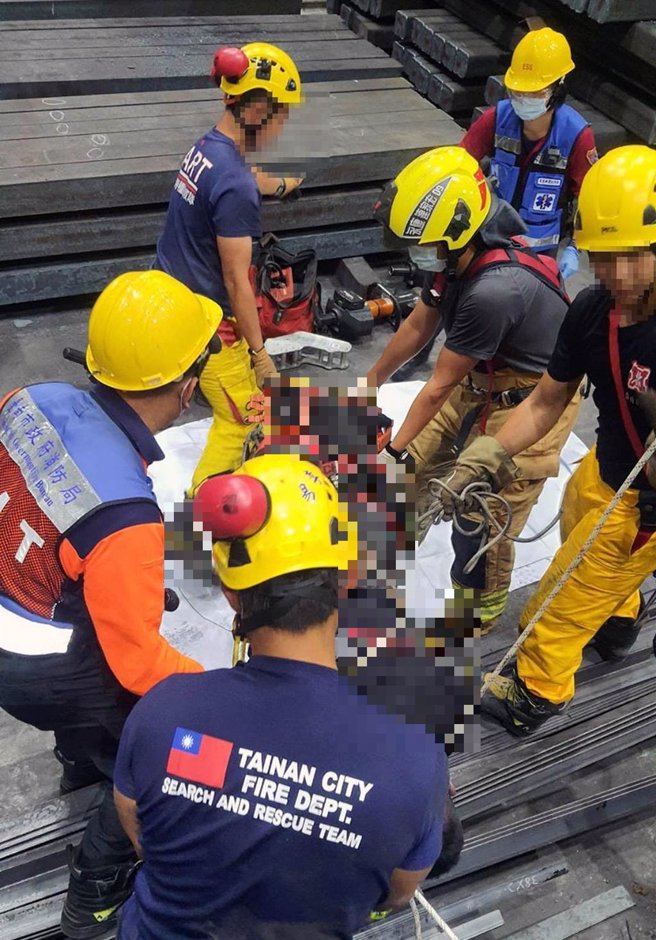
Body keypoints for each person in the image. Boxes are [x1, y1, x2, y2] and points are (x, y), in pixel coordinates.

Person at [113, 454, 461, 939]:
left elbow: (141, 836)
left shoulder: (163, 712)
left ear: (232, 594)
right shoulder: (416, 761)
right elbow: (397, 893)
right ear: (347, 578)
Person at [0, 269, 222, 938]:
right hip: (39, 668)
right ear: (186, 389)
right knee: (179, 747)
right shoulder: (124, 519)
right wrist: (221, 692)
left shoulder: (28, 399)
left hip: (17, 619)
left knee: (95, 697)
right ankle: (96, 889)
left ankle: (81, 764)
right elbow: (137, 666)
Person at [437, 145, 656, 736]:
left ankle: (537, 688)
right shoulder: (591, 312)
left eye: (631, 258)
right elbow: (544, 400)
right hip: (609, 470)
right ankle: (619, 617)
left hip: (645, 505)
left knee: (557, 603)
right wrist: (489, 454)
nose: (615, 275)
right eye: (601, 258)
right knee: (577, 518)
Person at [368, 146, 580, 631]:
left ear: (456, 233)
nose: (416, 253)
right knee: (410, 476)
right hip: (484, 378)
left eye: (422, 244)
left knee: (479, 510)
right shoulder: (455, 256)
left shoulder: (493, 290)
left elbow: (438, 386)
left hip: (536, 395)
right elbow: (422, 323)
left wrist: (393, 448)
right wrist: (369, 382)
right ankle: (387, 555)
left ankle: (475, 613)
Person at [394, 27, 598, 382]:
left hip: (540, 254)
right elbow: (457, 166)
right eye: (517, 89)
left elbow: (590, 199)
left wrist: (576, 248)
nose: (523, 98)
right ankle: (422, 355)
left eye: (534, 91)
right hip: (484, 240)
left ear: (558, 89)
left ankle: (502, 381)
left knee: (518, 326)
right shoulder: (496, 119)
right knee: (445, 298)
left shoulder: (577, 136)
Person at [154, 42, 303, 494]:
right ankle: (203, 520)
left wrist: (276, 185)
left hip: (170, 291)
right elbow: (238, 281)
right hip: (207, 320)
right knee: (244, 419)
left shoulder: (208, 147)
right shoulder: (235, 184)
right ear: (257, 109)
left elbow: (237, 178)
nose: (284, 127)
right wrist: (260, 356)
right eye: (282, 116)